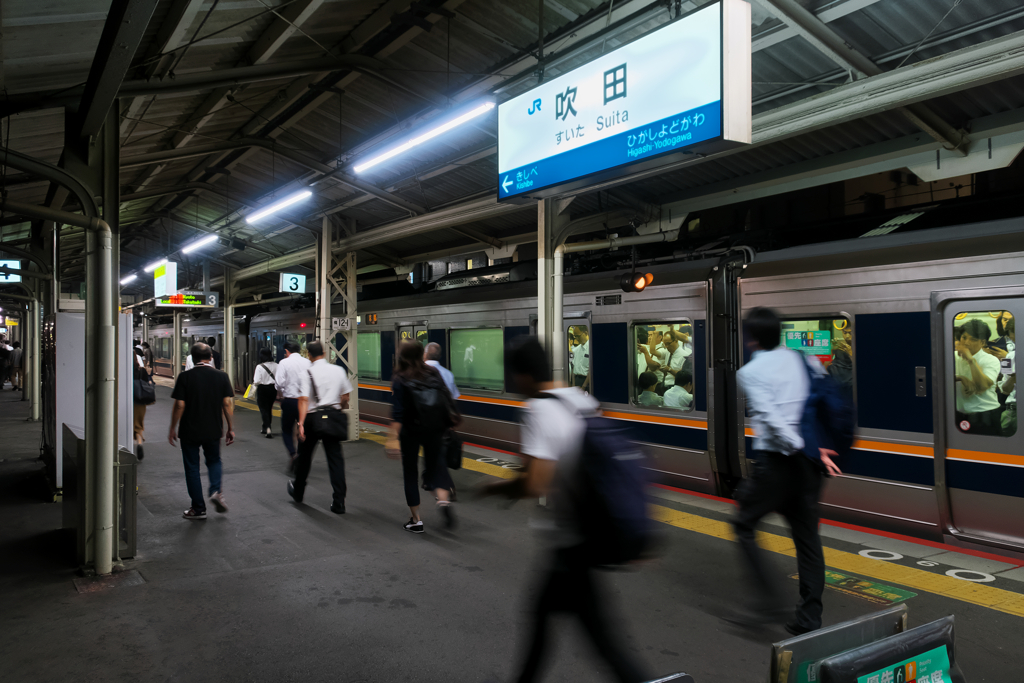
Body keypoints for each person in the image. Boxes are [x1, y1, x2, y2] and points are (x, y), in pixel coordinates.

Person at [505, 337, 648, 683]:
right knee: (550, 621)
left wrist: (496, 487)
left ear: (523, 375)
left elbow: (536, 484)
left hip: (573, 541)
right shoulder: (582, 400)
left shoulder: (537, 410)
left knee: (602, 642)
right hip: (593, 530)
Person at [730, 307, 841, 636]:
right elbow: (820, 402)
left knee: (743, 524)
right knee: (807, 538)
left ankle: (769, 602)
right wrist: (814, 447)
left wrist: (796, 445)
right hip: (809, 464)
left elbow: (771, 417)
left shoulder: (751, 372)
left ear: (751, 338)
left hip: (778, 463)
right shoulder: (803, 359)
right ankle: (809, 617)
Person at [385, 340, 458, 533]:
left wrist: (392, 438)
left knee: (410, 474)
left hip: (411, 431)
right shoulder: (433, 372)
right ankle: (443, 501)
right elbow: (445, 397)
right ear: (421, 355)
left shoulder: (400, 377)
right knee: (436, 467)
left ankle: (416, 520)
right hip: (434, 429)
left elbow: (398, 412)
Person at [168, 342, 235, 520]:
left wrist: (172, 428)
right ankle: (216, 491)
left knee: (192, 468)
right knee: (214, 461)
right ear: (211, 357)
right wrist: (230, 428)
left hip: (189, 430)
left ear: (191, 358)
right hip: (213, 428)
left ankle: (198, 509)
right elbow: (227, 403)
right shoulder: (221, 376)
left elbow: (180, 405)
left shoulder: (185, 377)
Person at [288, 340, 353, 514]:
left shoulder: (306, 373)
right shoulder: (338, 370)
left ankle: (298, 492)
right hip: (332, 417)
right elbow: (346, 397)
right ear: (324, 353)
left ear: (309, 355)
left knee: (305, 458)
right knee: (335, 460)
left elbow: (303, 400)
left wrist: (300, 424)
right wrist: (338, 407)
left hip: (312, 418)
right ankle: (339, 502)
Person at [955, 319, 1002, 436]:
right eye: (964, 337)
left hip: (985, 413)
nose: (966, 342)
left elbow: (982, 386)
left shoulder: (990, 359)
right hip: (959, 413)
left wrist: (971, 360)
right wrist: (961, 378)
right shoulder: (952, 356)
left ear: (982, 342)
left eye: (973, 339)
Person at [275, 340, 311, 470]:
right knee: (303, 430)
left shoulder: (284, 363)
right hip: (305, 402)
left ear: (286, 351)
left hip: (290, 401)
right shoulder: (307, 362)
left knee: (286, 430)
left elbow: (279, 383)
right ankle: (301, 455)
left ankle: (293, 454)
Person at [132, 344, 154, 461]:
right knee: (139, 424)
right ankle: (140, 442)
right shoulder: (142, 371)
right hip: (140, 400)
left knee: (130, 423)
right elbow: (147, 384)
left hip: (128, 401)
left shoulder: (125, 371)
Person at [253, 347, 278, 438]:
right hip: (273, 389)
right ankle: (265, 427)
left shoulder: (259, 367)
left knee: (263, 409)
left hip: (262, 389)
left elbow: (256, 381)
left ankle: (268, 428)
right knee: (269, 408)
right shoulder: (276, 365)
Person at [997, 316, 1016, 437]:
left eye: (1011, 335)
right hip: (1014, 410)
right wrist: (1014, 377)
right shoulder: (1010, 356)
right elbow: (1005, 389)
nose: (1011, 338)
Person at [571, 326, 590, 392]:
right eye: (575, 336)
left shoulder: (591, 348)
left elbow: (591, 371)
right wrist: (573, 385)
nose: (576, 339)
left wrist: (584, 386)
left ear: (586, 333)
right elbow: (574, 369)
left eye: (578, 336)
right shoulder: (576, 350)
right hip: (577, 380)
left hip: (587, 383)